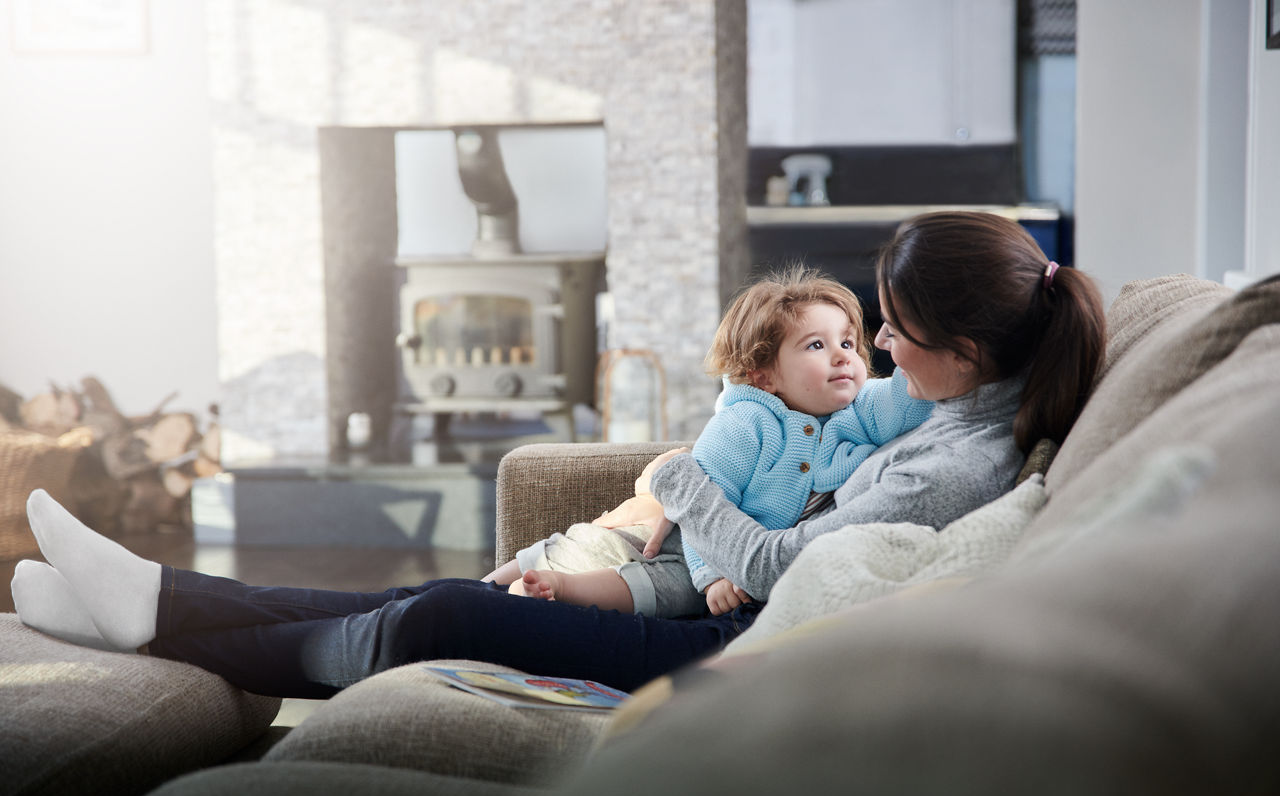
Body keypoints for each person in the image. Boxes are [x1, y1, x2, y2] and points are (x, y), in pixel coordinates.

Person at [10, 211, 1106, 698]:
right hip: (723, 607)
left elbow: (777, 571)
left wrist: (680, 476)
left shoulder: (955, 457)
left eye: (890, 328)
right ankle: (155, 599)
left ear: (961, 348)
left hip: (738, 653)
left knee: (440, 617)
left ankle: (155, 619)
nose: (873, 343)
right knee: (439, 593)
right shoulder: (952, 402)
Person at [504, 267, 933, 618]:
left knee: (662, 594)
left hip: (729, 562)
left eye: (847, 343)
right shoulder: (744, 423)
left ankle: (563, 589)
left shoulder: (861, 409)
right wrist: (712, 574)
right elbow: (701, 502)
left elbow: (914, 395)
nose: (843, 356)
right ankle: (503, 578)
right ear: (764, 374)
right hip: (689, 539)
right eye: (816, 345)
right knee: (600, 543)